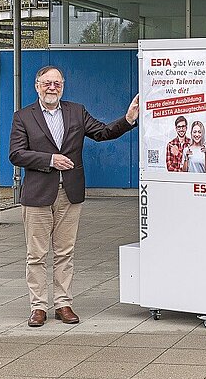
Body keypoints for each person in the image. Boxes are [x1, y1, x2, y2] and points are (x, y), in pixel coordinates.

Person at [9, 65, 139, 327]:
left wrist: (127, 120)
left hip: (69, 193)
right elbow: (16, 154)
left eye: (57, 83)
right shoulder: (23, 117)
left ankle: (63, 303)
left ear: (63, 86)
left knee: (65, 252)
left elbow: (102, 133)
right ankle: (38, 307)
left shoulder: (76, 111)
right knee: (36, 254)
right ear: (37, 86)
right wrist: (50, 160)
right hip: (37, 195)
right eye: (47, 83)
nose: (52, 87)